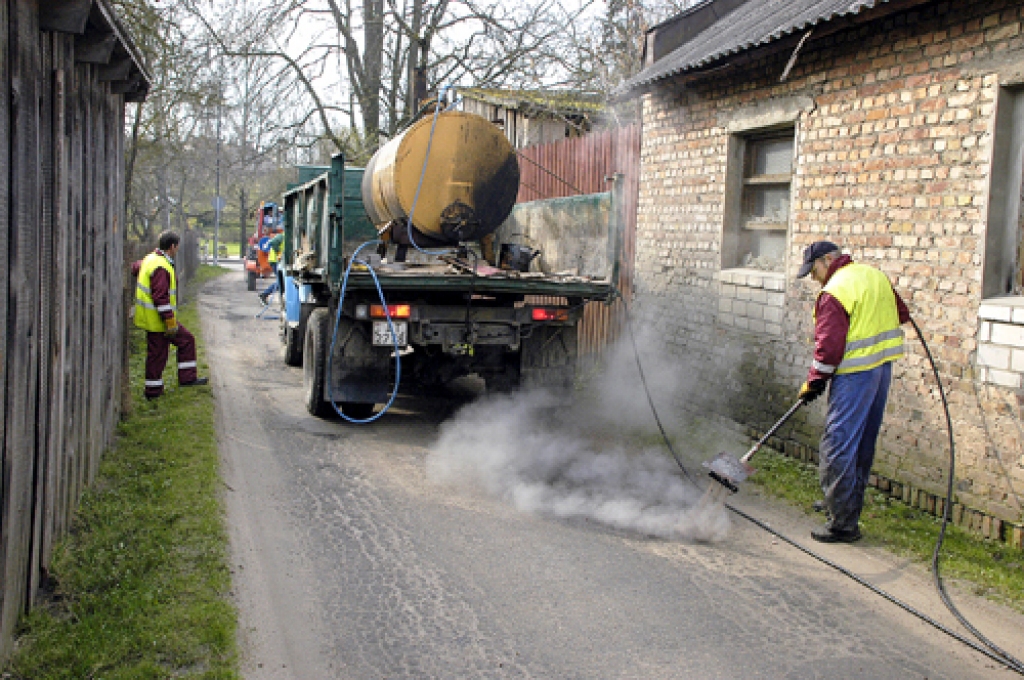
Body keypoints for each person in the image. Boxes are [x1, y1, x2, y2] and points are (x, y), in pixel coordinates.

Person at [796, 240, 910, 543]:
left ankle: (843, 524)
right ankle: (844, 505)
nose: (812, 278)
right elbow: (902, 314)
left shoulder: (835, 291)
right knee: (861, 443)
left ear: (827, 260)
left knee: (837, 444)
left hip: (855, 375)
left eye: (813, 270)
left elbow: (829, 348)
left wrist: (815, 381)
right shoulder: (874, 275)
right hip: (881, 370)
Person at [133, 231, 208, 400]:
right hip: (159, 321)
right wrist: (170, 321)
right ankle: (154, 391)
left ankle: (179, 381)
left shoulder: (150, 259)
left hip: (153, 318)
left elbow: (135, 268)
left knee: (180, 343)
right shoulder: (161, 267)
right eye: (177, 246)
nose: (177, 250)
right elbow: (160, 297)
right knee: (160, 354)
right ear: (172, 246)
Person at [258, 228, 284, 305]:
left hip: (276, 260)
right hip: (275, 260)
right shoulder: (282, 236)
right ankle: (264, 294)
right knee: (281, 282)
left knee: (281, 282)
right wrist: (278, 252)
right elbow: (273, 242)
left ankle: (266, 295)